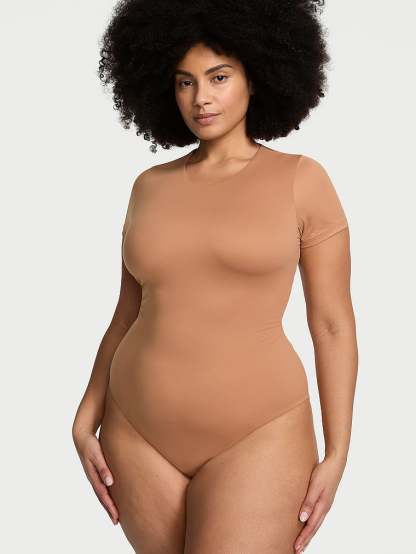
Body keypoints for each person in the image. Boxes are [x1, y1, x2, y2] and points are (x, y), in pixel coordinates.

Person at [72, 1, 359, 552]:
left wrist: (338, 451)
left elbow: (332, 325)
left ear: (257, 75)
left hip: (259, 432)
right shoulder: (148, 186)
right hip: (136, 432)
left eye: (219, 77)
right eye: (185, 82)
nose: (200, 98)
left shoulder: (302, 180)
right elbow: (128, 313)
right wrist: (86, 416)